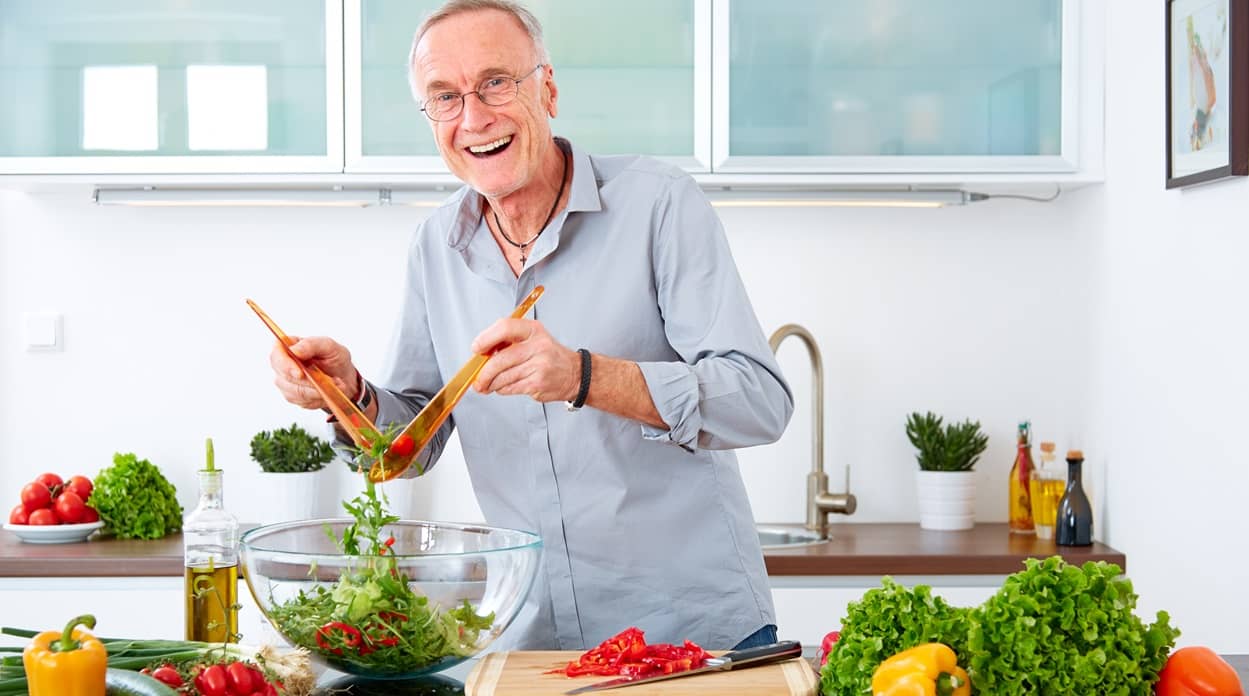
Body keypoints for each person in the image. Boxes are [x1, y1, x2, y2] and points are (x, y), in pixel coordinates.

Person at [267, 0, 793, 652]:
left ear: (546, 88)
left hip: (692, 634)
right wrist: (347, 393)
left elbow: (758, 402)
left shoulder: (658, 203)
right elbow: (411, 444)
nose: (472, 117)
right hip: (535, 641)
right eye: (444, 97)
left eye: (495, 82)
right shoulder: (435, 246)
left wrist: (583, 376)